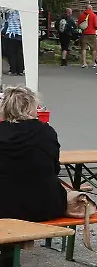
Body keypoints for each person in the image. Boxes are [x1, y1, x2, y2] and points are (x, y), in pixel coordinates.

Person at [0, 86, 67, 221]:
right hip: (45, 207)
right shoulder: (46, 132)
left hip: (3, 208)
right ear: (31, 107)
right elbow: (55, 169)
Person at [2, 10, 24, 76]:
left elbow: (6, 23)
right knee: (19, 53)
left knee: (11, 53)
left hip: (11, 35)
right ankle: (20, 70)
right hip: (21, 35)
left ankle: (13, 70)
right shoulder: (22, 12)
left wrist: (3, 32)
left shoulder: (10, 12)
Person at [77, 4, 97, 69]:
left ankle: (84, 63)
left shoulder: (81, 15)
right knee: (94, 48)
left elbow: (79, 24)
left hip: (84, 33)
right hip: (92, 34)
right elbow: (96, 25)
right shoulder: (93, 15)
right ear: (91, 9)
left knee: (83, 48)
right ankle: (93, 62)